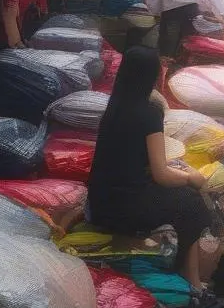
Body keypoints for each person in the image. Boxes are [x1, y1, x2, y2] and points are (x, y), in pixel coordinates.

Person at [88, 46, 212, 292]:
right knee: (193, 205)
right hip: (125, 208)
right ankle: (192, 282)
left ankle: (187, 276)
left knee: (183, 198)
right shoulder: (149, 113)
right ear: (152, 76)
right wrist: (191, 177)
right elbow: (162, 174)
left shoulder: (113, 108)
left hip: (100, 203)